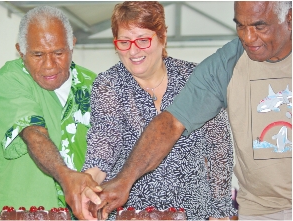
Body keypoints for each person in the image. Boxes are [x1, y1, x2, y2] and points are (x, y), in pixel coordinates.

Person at [87, 1, 292, 220]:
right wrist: (91, 181)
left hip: (193, 210)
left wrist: (219, 212)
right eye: (124, 42)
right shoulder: (109, 84)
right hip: (132, 212)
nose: (133, 50)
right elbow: (105, 142)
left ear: (162, 37)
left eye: (143, 40)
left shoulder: (190, 76)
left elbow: (218, 151)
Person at [0, 5, 102, 220]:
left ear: (72, 45)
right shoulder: (11, 79)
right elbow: (34, 135)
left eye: (58, 53)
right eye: (37, 54)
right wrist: (67, 177)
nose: (49, 65)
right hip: (18, 213)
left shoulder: (96, 86)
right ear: (21, 50)